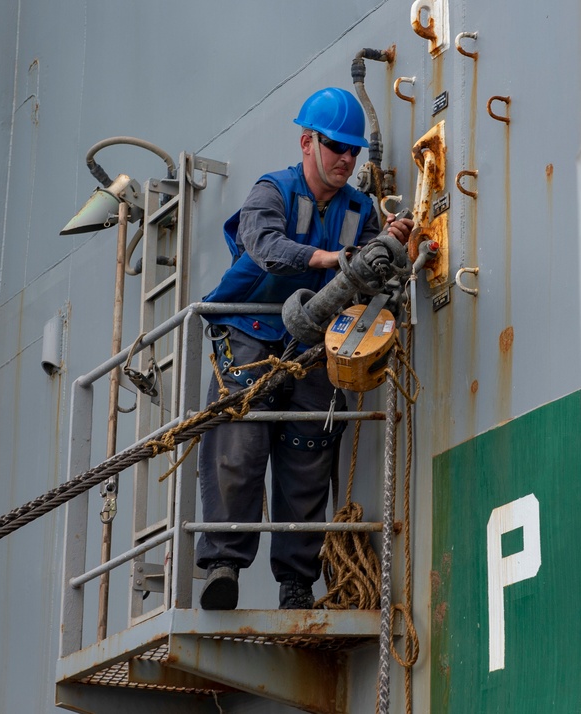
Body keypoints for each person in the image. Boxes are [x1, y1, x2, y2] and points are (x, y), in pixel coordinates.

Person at [196, 87, 413, 610]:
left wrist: (390, 244)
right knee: (238, 449)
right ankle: (223, 562)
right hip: (250, 332)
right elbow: (265, 249)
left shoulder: (360, 210)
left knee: (309, 456)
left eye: (354, 151)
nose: (346, 158)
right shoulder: (270, 192)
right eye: (337, 146)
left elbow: (367, 275)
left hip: (313, 344)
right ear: (307, 142)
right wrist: (329, 258)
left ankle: (297, 581)